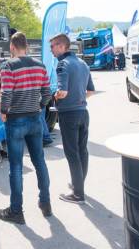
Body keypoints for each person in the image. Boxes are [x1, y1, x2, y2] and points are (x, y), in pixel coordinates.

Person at [0, 32, 52, 224]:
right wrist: (39, 106)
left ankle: (16, 210)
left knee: (16, 166)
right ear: (26, 46)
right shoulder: (40, 65)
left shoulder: (8, 66)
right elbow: (47, 92)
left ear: (12, 47)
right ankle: (45, 203)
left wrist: (3, 110)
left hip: (16, 121)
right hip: (35, 119)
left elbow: (7, 92)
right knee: (39, 162)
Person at [50, 33, 95, 204]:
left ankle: (77, 194)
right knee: (82, 150)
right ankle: (79, 186)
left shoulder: (63, 64)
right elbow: (90, 91)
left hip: (69, 114)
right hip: (83, 112)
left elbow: (62, 92)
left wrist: (56, 96)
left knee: (72, 154)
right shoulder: (83, 63)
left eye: (53, 46)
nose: (51, 50)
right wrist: (78, 99)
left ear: (62, 46)